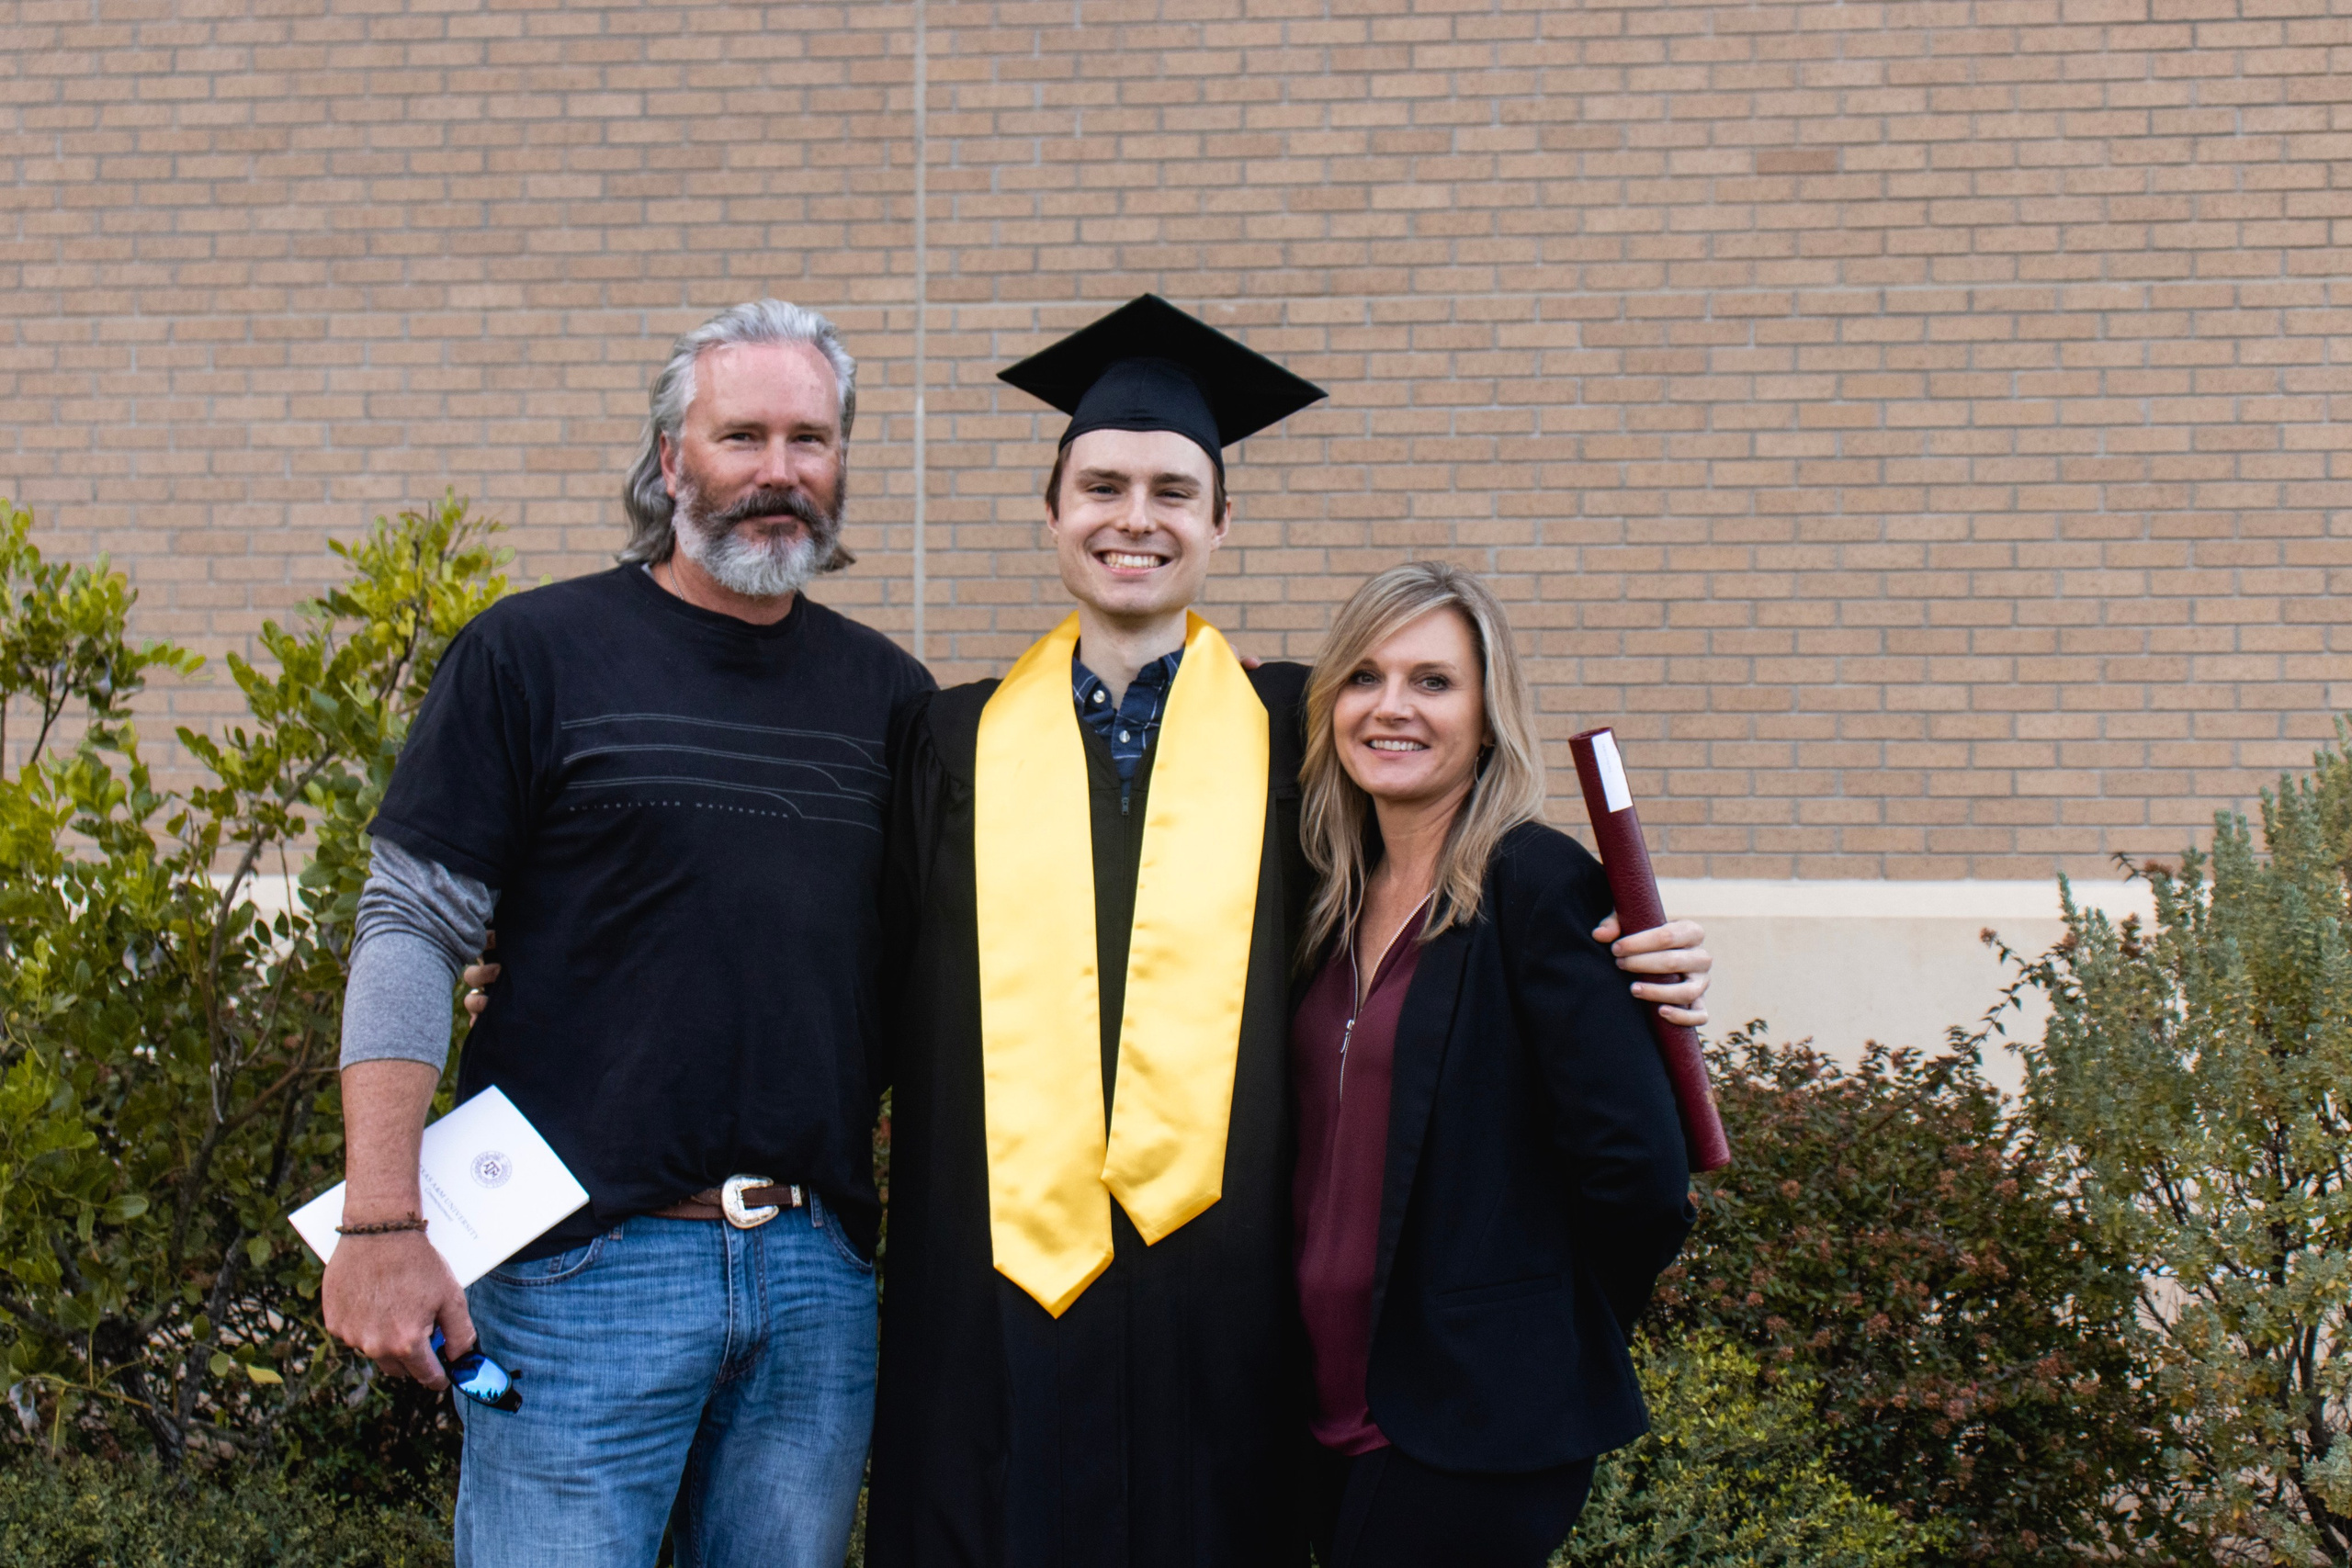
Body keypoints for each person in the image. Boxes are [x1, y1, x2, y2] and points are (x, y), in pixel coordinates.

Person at [864, 297, 1712, 1568]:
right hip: (992, 1290)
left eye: (1171, 487)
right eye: (1100, 485)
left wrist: (1649, 952)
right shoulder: (947, 741)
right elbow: (856, 972)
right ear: (1051, 514)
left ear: (1219, 521)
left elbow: (1459, 899)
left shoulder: (1288, 732)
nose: (1132, 516)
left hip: (1228, 1302)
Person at [321, 299, 932, 1568]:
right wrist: (382, 1224)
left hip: (815, 1280)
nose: (779, 472)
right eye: (742, 434)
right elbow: (410, 927)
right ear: (671, 459)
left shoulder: (892, 700)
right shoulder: (531, 655)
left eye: (811, 439)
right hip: (582, 1273)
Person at [1290, 561, 1698, 1568]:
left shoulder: (1537, 883)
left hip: (1467, 1416)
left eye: (1433, 681)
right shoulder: (1325, 896)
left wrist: (1524, 1324)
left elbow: (1640, 1175)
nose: (1392, 708)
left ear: (1485, 715)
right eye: (1363, 677)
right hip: (1316, 1405)